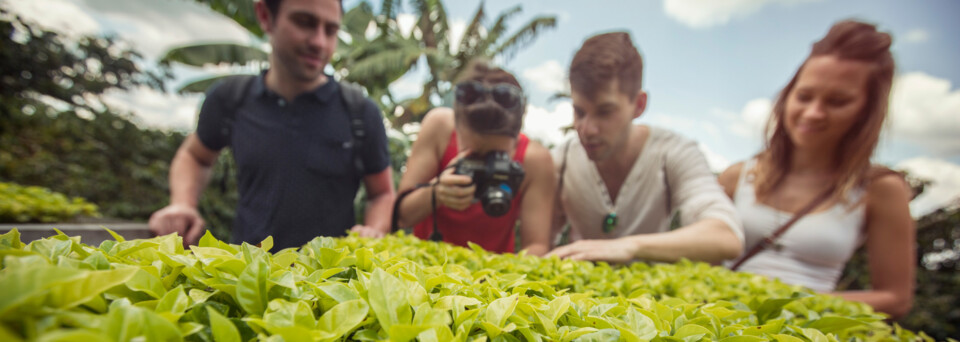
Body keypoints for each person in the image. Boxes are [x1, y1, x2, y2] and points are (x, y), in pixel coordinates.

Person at [148, 0, 395, 250]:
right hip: (248, 276)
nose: (319, 42)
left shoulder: (360, 112)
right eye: (304, 22)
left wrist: (372, 230)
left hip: (328, 283)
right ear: (265, 16)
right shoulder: (230, 99)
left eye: (330, 30)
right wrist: (183, 203)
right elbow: (195, 156)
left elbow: (382, 193)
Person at [717, 20, 914, 318]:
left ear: (867, 110)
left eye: (838, 101)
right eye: (804, 96)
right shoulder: (737, 176)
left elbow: (896, 299)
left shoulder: (880, 189)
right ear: (787, 96)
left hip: (808, 328)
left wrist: (799, 303)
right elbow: (697, 259)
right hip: (721, 319)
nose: (813, 113)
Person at [547, 32, 743, 264]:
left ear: (639, 105)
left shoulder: (674, 152)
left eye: (605, 112)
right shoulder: (561, 159)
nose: (587, 129)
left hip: (651, 296)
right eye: (579, 112)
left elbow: (727, 236)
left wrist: (630, 246)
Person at [393, 61, 555, 256]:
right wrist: (436, 193)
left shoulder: (536, 161)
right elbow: (401, 217)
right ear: (456, 126)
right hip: (425, 268)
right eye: (474, 155)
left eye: (497, 157)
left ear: (517, 135)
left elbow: (536, 246)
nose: (485, 163)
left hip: (492, 279)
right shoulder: (438, 128)